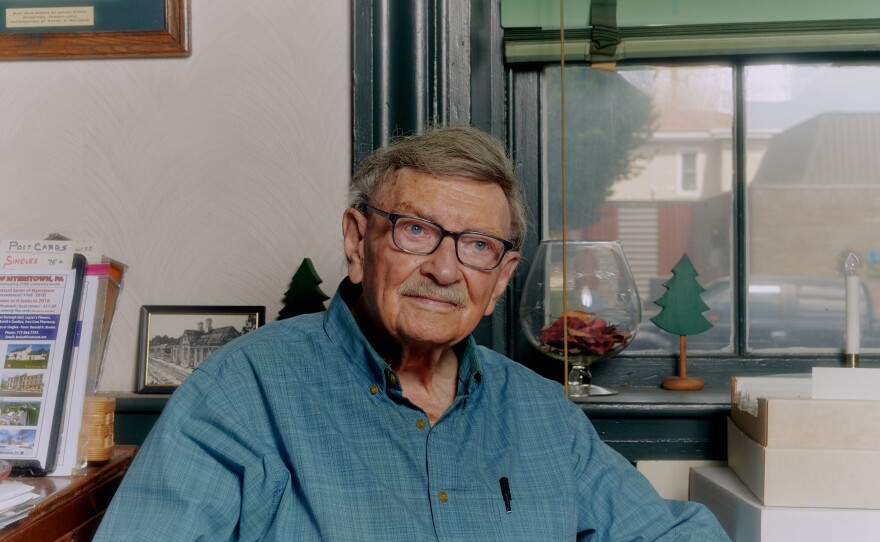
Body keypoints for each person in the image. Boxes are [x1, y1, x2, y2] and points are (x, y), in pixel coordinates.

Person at [95, 125, 730, 541]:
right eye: (416, 231)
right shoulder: (239, 393)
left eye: (478, 245)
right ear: (356, 241)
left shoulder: (542, 414)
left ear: (502, 279)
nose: (446, 269)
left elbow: (671, 535)